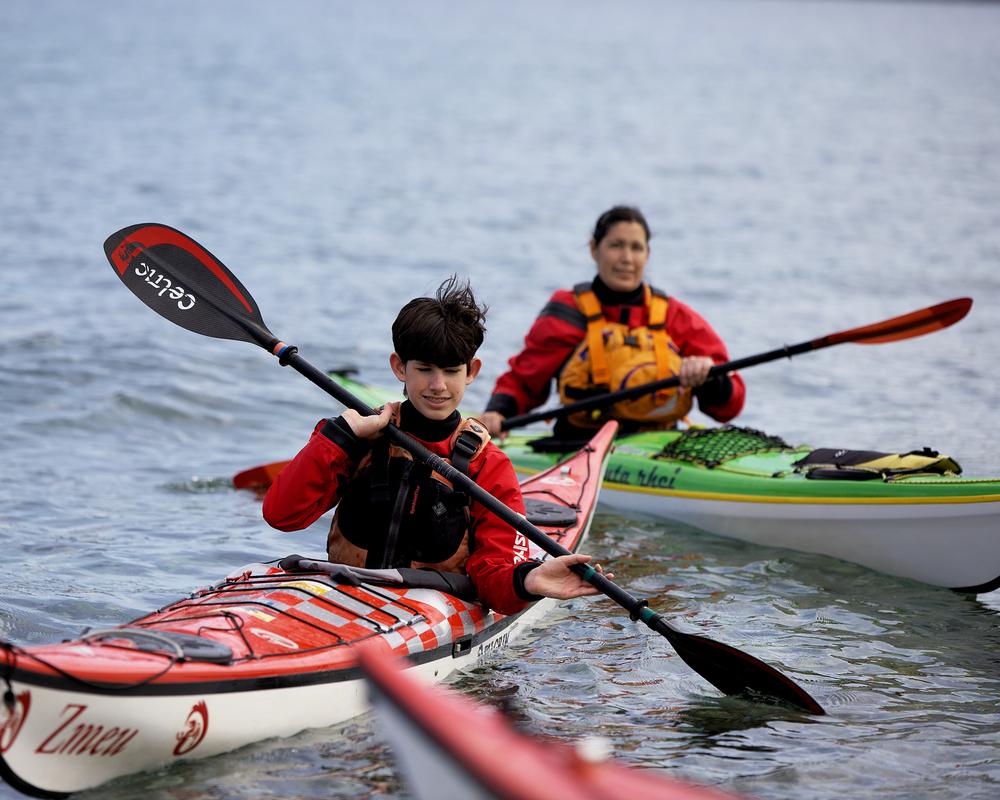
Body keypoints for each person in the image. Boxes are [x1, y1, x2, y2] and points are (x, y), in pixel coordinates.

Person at [262, 277, 610, 616]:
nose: (438, 385)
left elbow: (493, 578)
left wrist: (529, 581)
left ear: (472, 371)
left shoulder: (487, 463)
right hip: (346, 598)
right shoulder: (356, 438)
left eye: (451, 370)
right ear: (399, 366)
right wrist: (339, 436)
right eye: (424, 369)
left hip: (426, 612)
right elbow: (281, 515)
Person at [481, 206, 745, 440]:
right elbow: (525, 381)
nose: (626, 258)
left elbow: (729, 407)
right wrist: (497, 411)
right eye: (616, 245)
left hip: (661, 445)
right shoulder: (568, 312)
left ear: (647, 254)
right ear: (594, 249)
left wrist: (711, 378)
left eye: (636, 248)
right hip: (580, 443)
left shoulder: (674, 316)